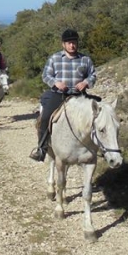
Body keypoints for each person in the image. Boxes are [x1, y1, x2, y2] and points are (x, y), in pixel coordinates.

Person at [29, 28, 97, 161]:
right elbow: (46, 76)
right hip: (59, 95)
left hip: (79, 96)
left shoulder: (85, 60)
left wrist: (86, 82)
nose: (72, 45)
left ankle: (100, 149)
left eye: (74, 42)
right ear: (63, 44)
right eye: (69, 43)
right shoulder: (55, 58)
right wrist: (56, 83)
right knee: (45, 118)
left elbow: (93, 75)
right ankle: (41, 149)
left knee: (98, 116)